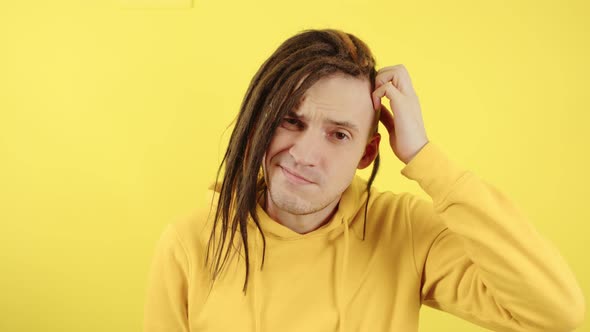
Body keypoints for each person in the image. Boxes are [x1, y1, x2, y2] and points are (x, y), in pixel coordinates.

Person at [143, 29, 585, 332]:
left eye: (339, 135)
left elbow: (556, 314)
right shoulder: (189, 244)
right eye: (290, 121)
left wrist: (425, 158)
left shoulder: (405, 232)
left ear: (367, 153)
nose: (304, 155)